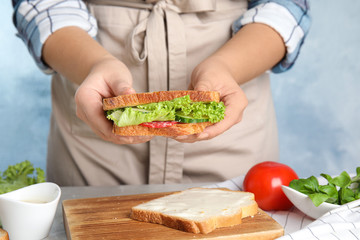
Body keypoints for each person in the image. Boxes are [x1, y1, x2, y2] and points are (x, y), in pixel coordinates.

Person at [11, 0, 310, 186]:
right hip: (92, 117)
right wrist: (95, 64)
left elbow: (284, 5)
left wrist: (226, 67)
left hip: (233, 101)